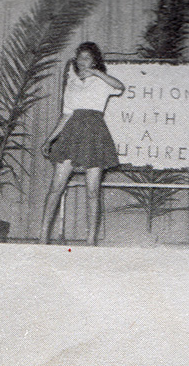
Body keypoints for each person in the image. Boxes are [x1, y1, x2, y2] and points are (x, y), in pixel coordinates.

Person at [39, 42, 124, 246]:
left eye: (87, 58)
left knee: (92, 190)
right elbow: (66, 114)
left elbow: (119, 87)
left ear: (94, 60)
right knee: (56, 187)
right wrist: (50, 139)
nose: (81, 61)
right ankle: (42, 236)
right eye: (79, 57)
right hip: (72, 134)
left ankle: (91, 240)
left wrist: (96, 73)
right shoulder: (72, 83)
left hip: (94, 133)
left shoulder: (102, 81)